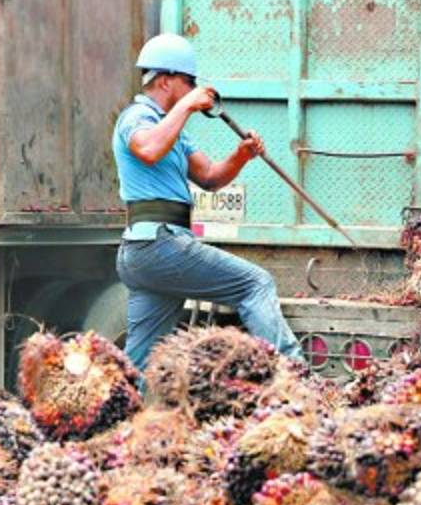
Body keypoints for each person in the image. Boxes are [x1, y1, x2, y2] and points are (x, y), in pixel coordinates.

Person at [112, 33, 304, 371]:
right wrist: (187, 106)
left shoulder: (174, 131)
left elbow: (211, 177)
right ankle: (294, 373)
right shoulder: (137, 117)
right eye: (189, 83)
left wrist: (241, 156)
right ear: (166, 80)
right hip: (158, 244)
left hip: (147, 254)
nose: (193, 91)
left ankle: (129, 412)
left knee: (140, 363)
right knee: (255, 284)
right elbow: (147, 149)